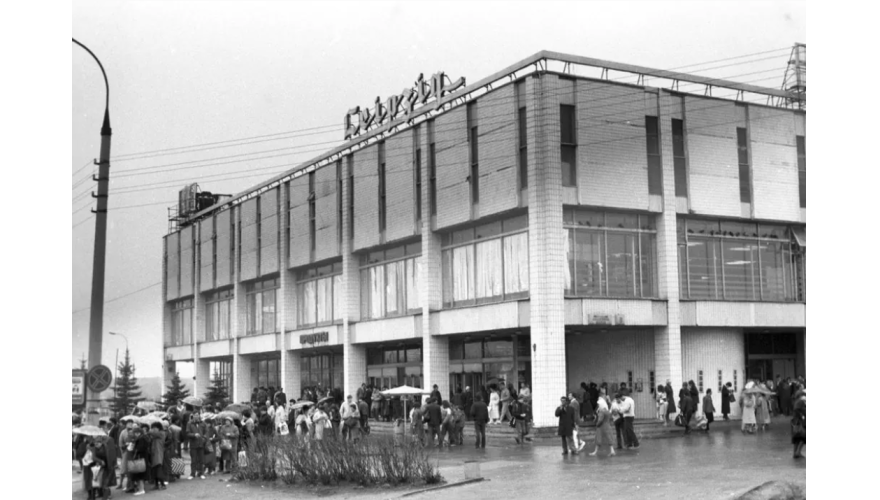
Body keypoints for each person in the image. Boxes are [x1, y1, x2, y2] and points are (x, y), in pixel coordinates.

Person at [130, 425, 152, 496]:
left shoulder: (141, 439)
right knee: (140, 474)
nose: (135, 434)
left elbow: (140, 449)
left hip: (140, 458)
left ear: (139, 433)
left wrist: (134, 449)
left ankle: (141, 489)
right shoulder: (144, 438)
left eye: (136, 433)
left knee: (140, 475)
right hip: (143, 458)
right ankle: (141, 489)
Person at [187, 412, 207, 479]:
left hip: (201, 444)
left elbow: (206, 432)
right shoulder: (189, 423)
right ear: (193, 416)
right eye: (195, 415)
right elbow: (187, 433)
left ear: (199, 416)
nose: (196, 416)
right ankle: (192, 474)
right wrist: (194, 435)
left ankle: (201, 473)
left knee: (201, 460)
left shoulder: (203, 423)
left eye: (197, 415)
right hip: (193, 444)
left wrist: (204, 439)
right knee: (193, 460)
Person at [148, 422, 167, 490]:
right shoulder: (155, 435)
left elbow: (153, 433)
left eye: (154, 428)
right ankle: (156, 485)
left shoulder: (161, 433)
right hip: (154, 453)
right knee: (154, 470)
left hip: (158, 453)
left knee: (158, 469)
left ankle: (163, 484)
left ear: (158, 428)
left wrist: (149, 431)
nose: (153, 429)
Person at [791, 389, 806, 459]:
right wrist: (802, 415)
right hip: (800, 422)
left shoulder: (796, 401)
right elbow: (797, 409)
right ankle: (797, 452)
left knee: (797, 438)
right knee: (803, 437)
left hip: (796, 421)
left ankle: (795, 453)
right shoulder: (800, 401)